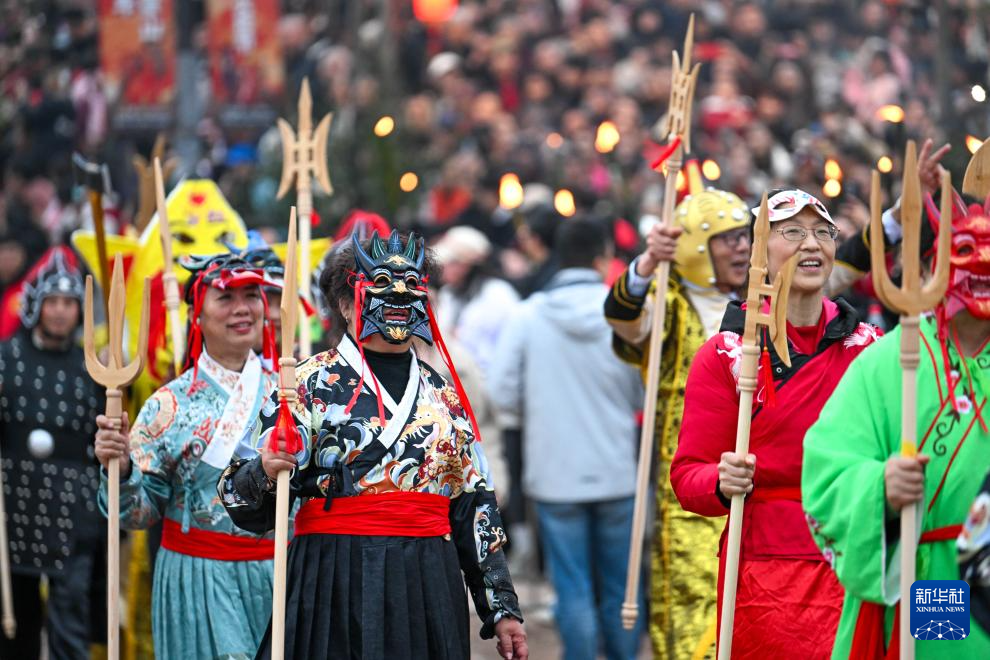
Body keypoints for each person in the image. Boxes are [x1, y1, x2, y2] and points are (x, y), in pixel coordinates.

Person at [218, 230, 527, 660]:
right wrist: (267, 469)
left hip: (426, 577)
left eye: (412, 285)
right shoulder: (306, 384)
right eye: (381, 284)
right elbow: (235, 492)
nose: (398, 296)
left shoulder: (444, 395)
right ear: (345, 304)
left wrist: (501, 608)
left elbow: (474, 505)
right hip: (333, 576)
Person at [670, 188, 882, 658]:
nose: (812, 244)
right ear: (760, 251)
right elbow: (687, 476)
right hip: (766, 571)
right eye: (793, 233)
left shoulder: (871, 348)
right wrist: (721, 479)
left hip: (858, 555)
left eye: (823, 232)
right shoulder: (726, 355)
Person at [806, 178, 990, 657]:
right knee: (950, 652)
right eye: (965, 251)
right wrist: (880, 487)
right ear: (927, 268)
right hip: (935, 580)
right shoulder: (888, 362)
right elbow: (828, 470)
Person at [93, 254, 280, 659]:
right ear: (196, 314)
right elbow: (137, 514)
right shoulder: (168, 405)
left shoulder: (293, 395)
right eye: (225, 298)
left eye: (251, 295)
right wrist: (121, 469)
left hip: (278, 574)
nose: (242, 308)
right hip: (197, 576)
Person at [603, 166, 751, 660]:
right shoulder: (670, 300)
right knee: (692, 598)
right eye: (727, 239)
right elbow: (623, 319)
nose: (742, 248)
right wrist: (648, 263)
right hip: (692, 479)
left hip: (757, 474)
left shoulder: (764, 300)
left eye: (745, 236)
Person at [491, 217, 643, 660]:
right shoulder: (623, 317)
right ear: (604, 258)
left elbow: (501, 390)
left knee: (571, 586)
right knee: (620, 585)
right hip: (617, 470)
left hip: (554, 472)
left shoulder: (528, 315)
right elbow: (644, 391)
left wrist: (538, 411)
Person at [0, 249, 105, 659]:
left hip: (73, 507)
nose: (61, 311)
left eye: (69, 302)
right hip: (14, 504)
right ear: (36, 305)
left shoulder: (93, 369)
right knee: (15, 622)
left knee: (70, 618)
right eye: (53, 301)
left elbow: (101, 442)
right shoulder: (6, 358)